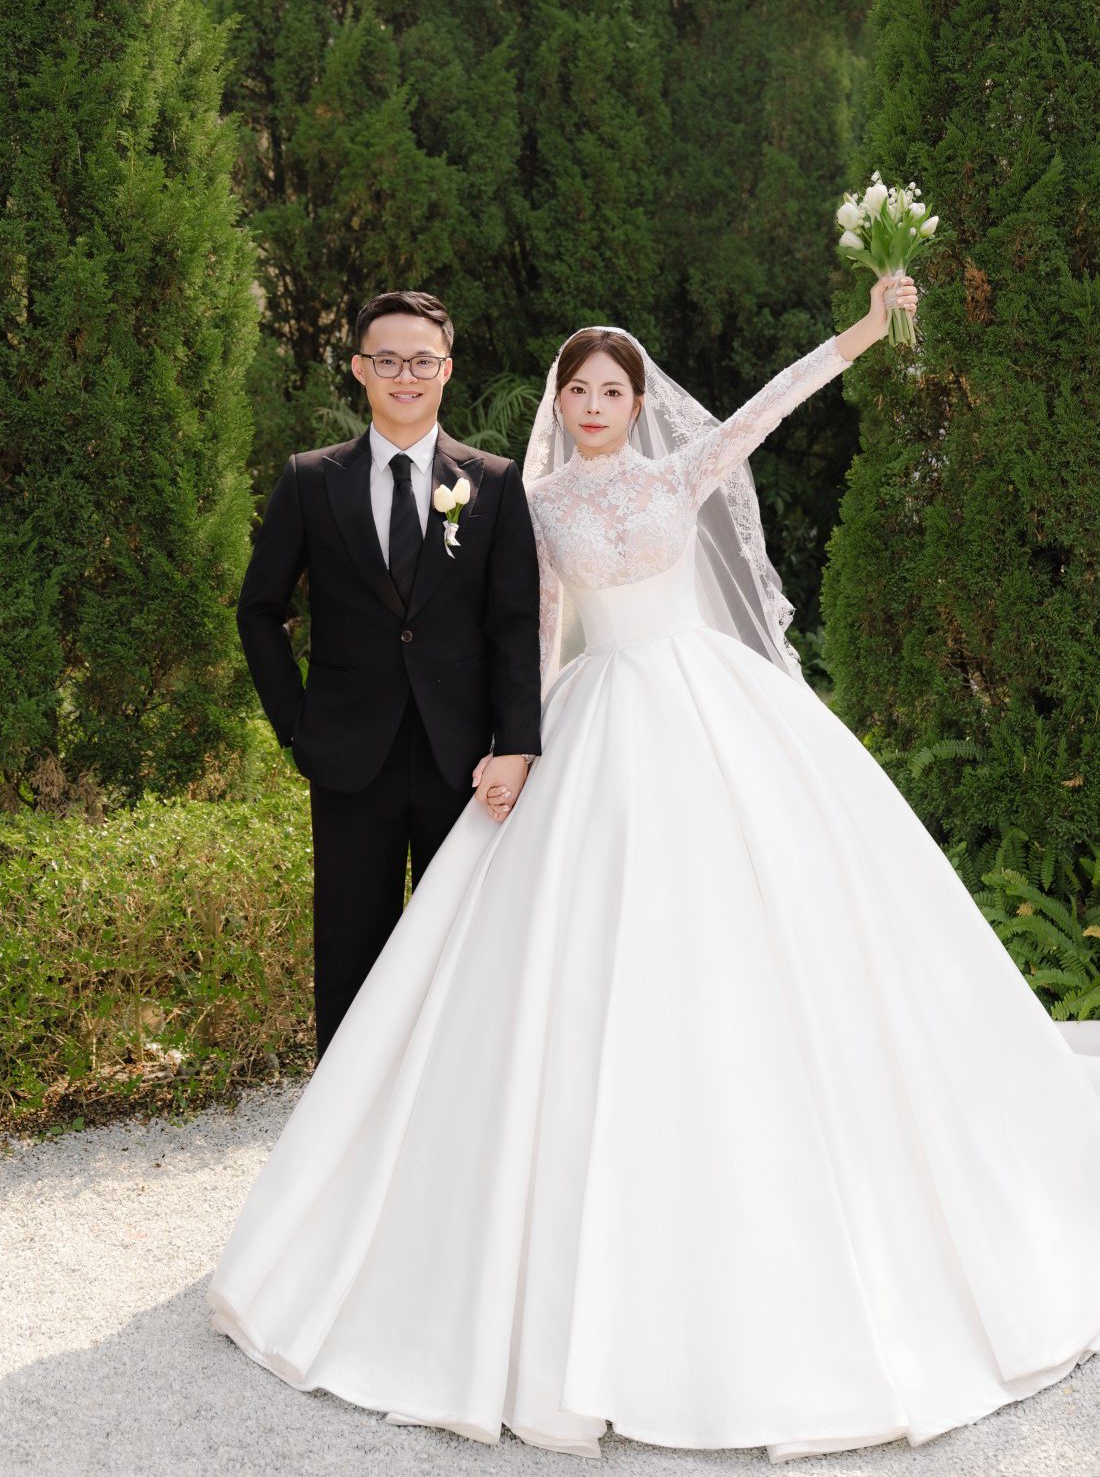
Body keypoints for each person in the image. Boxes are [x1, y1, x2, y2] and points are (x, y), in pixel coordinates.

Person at [209, 275, 1100, 1463]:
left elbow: (773, 402)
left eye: (610, 389)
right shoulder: (526, 501)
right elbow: (525, 631)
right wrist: (515, 743)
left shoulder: (680, 472)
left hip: (710, 710)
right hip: (591, 725)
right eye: (576, 389)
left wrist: (865, 327)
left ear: (638, 402)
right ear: (557, 401)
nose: (591, 404)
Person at [235, 289, 541, 1059]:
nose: (406, 375)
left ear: (447, 369)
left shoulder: (493, 482)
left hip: (463, 760)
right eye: (388, 360)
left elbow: (514, 624)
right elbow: (259, 610)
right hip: (348, 757)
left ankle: (454, 1113)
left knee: (462, 949)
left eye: (422, 361)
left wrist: (517, 744)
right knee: (351, 954)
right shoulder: (311, 479)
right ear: (359, 368)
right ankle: (347, 1121)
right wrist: (297, 726)